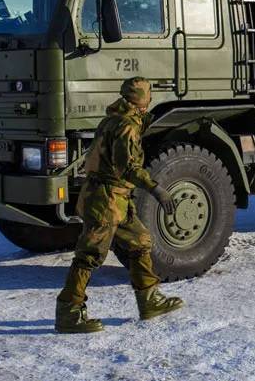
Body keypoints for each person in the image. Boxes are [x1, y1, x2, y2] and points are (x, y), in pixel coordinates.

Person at [55, 77, 183, 333]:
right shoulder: (126, 126)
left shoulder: (116, 120)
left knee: (140, 241)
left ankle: (149, 300)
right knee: (90, 254)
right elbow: (128, 167)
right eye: (149, 95)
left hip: (116, 198)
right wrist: (157, 189)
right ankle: (69, 312)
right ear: (142, 100)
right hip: (106, 199)